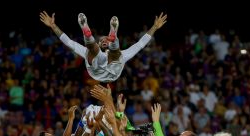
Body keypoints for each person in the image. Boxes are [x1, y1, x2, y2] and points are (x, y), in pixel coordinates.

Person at [39, 10, 167, 83]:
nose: (103, 41)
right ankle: (87, 33)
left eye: (106, 39)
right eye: (102, 41)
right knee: (93, 50)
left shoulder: (120, 54)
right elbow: (69, 43)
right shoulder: (97, 50)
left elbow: (140, 44)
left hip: (113, 71)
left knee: (116, 53)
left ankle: (112, 35)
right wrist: (53, 26)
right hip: (97, 70)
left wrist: (155, 27)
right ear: (100, 44)